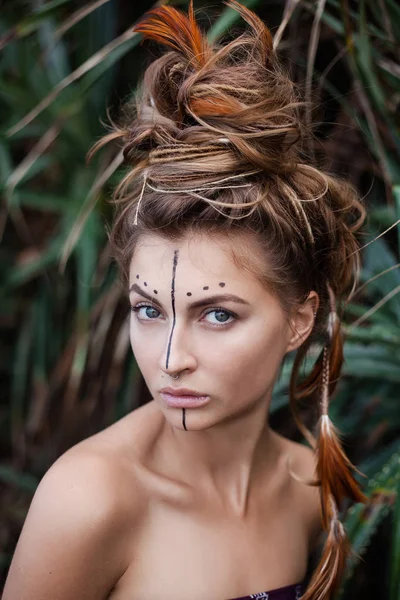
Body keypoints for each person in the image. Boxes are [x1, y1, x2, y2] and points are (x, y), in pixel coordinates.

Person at [2, 1, 368, 599]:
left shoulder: (308, 486)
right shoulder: (90, 501)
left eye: (217, 314)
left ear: (300, 319)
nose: (171, 358)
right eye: (149, 309)